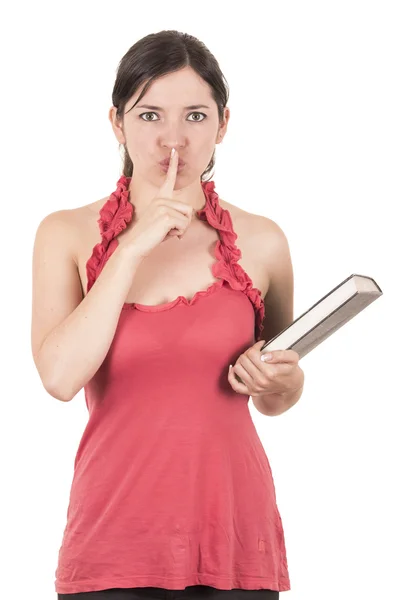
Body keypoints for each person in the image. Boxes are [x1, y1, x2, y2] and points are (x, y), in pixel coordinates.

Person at [31, 29, 301, 600]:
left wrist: (286, 379)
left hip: (234, 535)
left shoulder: (263, 240)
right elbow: (58, 377)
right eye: (150, 115)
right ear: (116, 123)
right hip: (115, 540)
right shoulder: (67, 233)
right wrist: (131, 248)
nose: (172, 139)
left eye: (196, 117)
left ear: (223, 125)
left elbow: (274, 395)